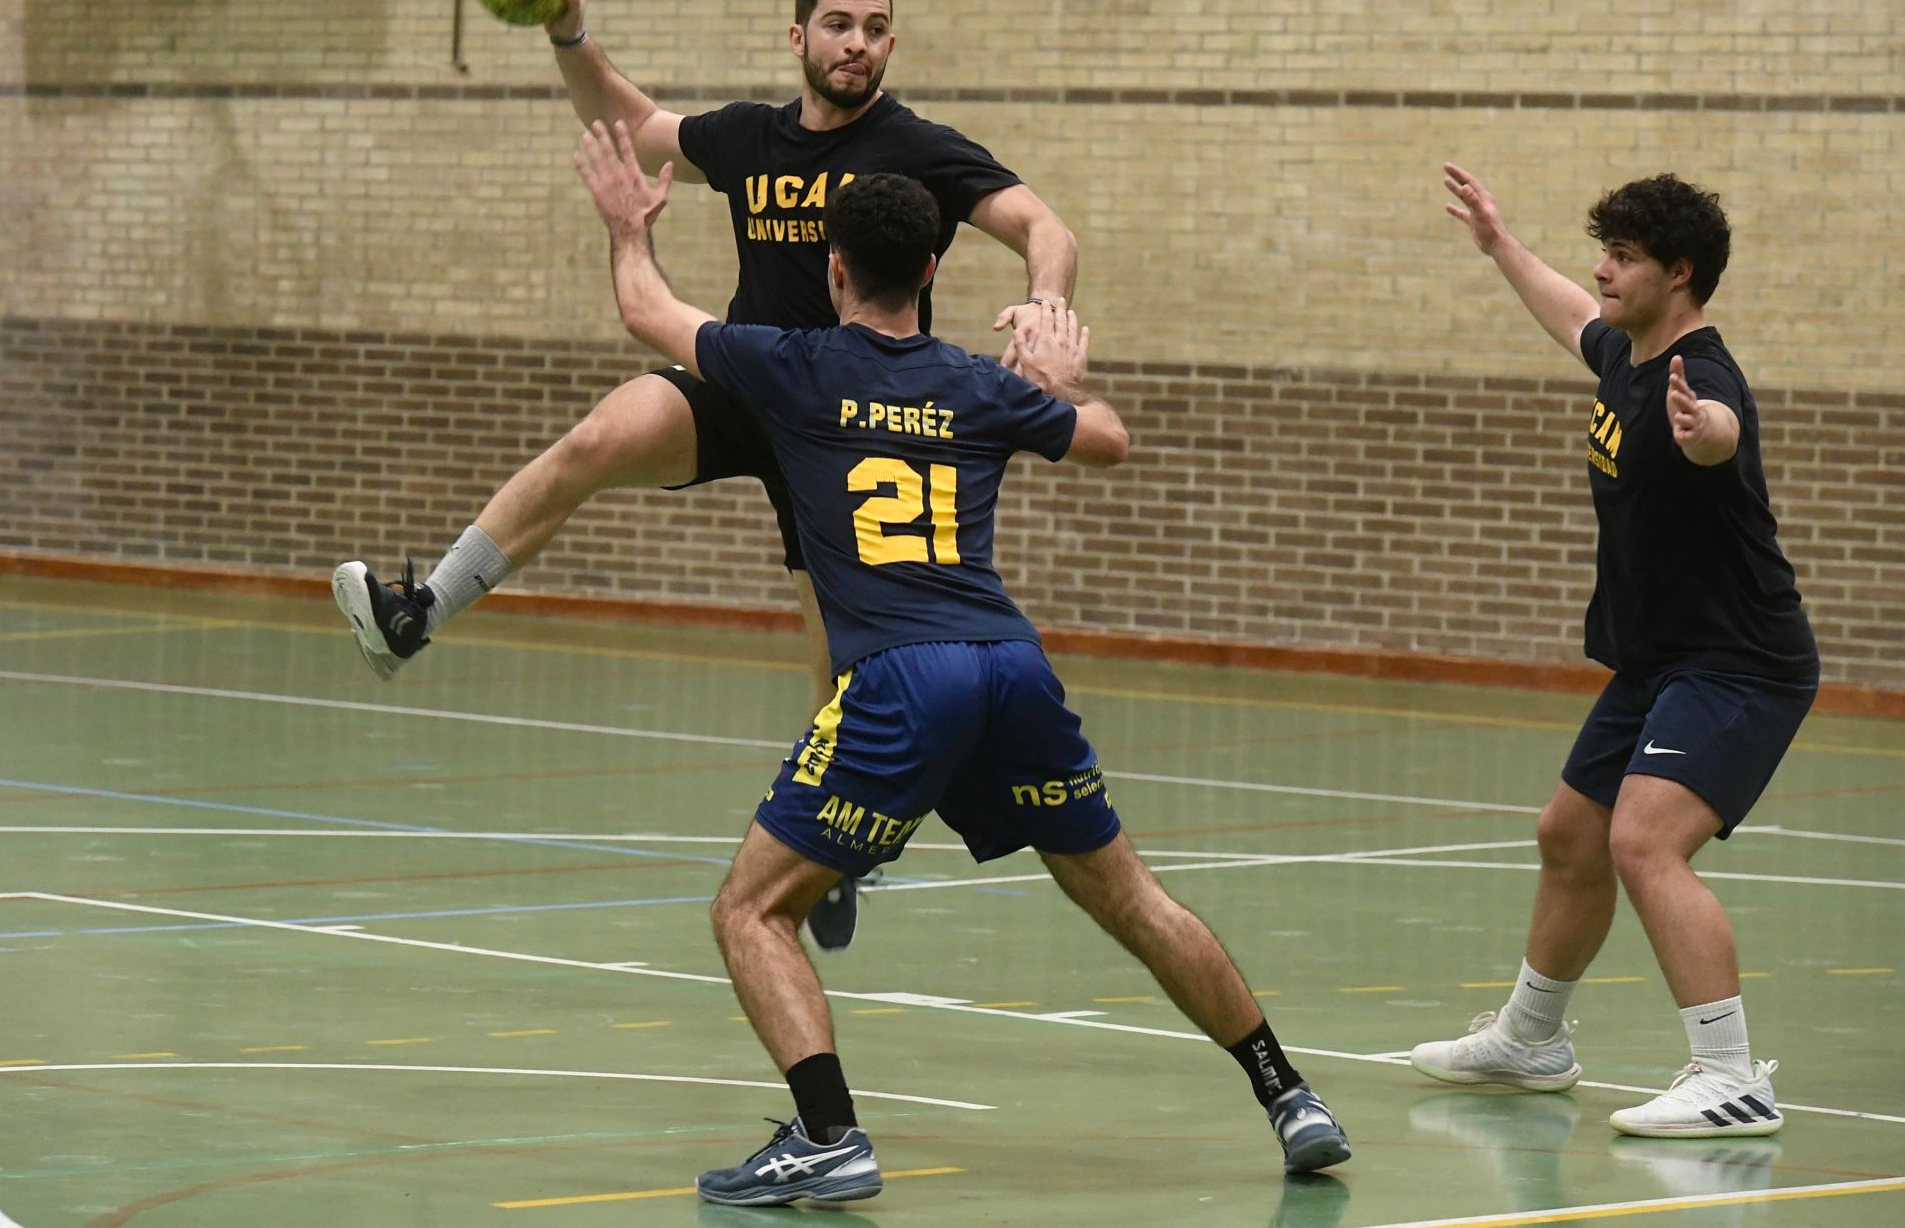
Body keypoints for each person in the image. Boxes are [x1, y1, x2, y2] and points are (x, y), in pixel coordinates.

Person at [571, 118, 1353, 1203]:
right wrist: (1064, 376)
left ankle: (828, 1133)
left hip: (900, 678)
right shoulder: (975, 382)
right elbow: (1111, 441)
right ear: (933, 271)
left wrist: (626, 227)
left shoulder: (792, 366)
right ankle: (1290, 1094)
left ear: (834, 268)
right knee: (1129, 898)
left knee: (751, 911)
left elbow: (645, 312)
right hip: (1011, 667)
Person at [331, 0, 1076, 952]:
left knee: (838, 657)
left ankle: (837, 845)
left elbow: (1042, 224)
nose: (857, 42)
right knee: (599, 436)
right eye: (839, 23)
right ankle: (416, 617)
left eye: (877, 27)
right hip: (750, 384)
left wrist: (1047, 299)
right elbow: (635, 125)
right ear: (798, 38)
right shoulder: (752, 139)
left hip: (851, 431)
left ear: (891, 46)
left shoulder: (915, 150)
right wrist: (567, 35)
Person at [1410, 165, 1819, 1138]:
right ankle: (1532, 1039)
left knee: (1644, 841)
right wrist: (1502, 246)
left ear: (1679, 274)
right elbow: (1569, 315)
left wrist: (1706, 434)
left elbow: (1720, 433)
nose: (1601, 270)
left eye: (1624, 258)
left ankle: (1731, 1076)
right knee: (1570, 835)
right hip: (1658, 660)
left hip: (1738, 663)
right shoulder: (1628, 355)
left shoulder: (1700, 379)